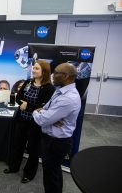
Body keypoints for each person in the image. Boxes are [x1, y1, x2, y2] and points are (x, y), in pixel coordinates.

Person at [4, 61, 55, 184]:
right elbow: (18, 97)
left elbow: (44, 106)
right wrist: (25, 104)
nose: (33, 70)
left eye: (37, 68)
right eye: (33, 68)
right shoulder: (28, 83)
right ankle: (14, 167)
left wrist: (28, 106)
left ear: (44, 72)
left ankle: (29, 174)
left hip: (36, 123)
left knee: (33, 150)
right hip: (22, 120)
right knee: (18, 145)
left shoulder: (49, 88)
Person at [33, 63, 81, 193]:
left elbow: (42, 120)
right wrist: (49, 116)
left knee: (51, 176)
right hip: (51, 140)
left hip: (56, 143)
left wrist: (36, 112)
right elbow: (46, 108)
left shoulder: (68, 98)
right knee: (52, 172)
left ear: (65, 76)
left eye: (56, 72)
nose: (52, 75)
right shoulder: (60, 91)